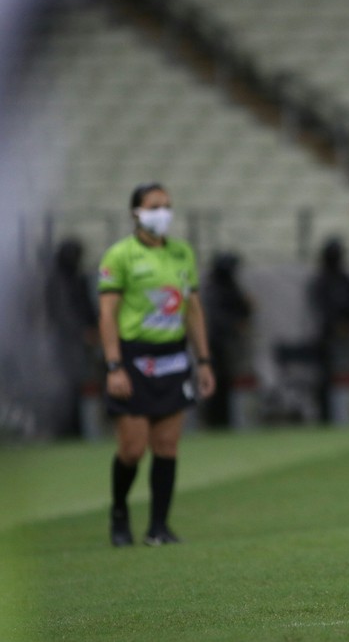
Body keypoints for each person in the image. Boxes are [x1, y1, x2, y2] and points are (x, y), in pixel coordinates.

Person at [98, 182, 215, 547]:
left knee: (167, 446)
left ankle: (158, 527)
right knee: (132, 449)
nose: (163, 212)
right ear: (136, 212)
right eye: (154, 206)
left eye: (167, 205)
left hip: (173, 357)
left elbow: (192, 309)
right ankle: (119, 515)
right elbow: (107, 314)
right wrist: (114, 365)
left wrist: (204, 360)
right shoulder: (120, 256)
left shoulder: (182, 253)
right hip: (134, 359)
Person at [306, 237, 349, 422]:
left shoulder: (345, 279)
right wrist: (335, 325)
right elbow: (321, 309)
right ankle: (329, 415)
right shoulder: (321, 281)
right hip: (329, 337)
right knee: (329, 375)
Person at [43, 237, 99, 437]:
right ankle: (64, 428)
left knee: (78, 384)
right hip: (64, 342)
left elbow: (86, 307)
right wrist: (82, 332)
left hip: (77, 341)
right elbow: (62, 313)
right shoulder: (57, 281)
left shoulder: (77, 278)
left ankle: (78, 427)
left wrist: (92, 328)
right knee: (65, 384)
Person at [202, 252, 253, 428]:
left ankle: (230, 419)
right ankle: (215, 420)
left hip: (231, 343)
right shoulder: (213, 288)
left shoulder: (231, 286)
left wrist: (246, 307)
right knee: (218, 380)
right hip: (217, 342)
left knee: (232, 381)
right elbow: (217, 317)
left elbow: (243, 308)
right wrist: (234, 324)